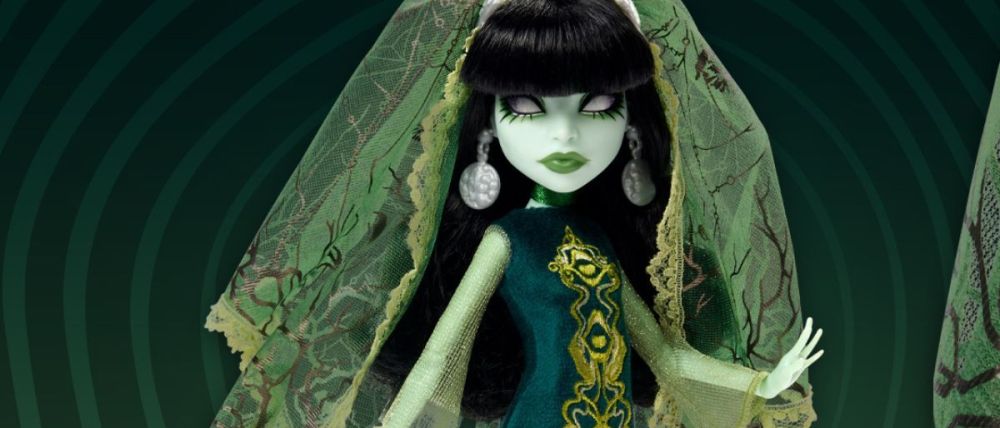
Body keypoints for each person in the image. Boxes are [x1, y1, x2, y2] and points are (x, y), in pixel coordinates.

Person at [205, 0, 821, 426]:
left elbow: (665, 357)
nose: (565, 136)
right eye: (526, 106)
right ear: (487, 127)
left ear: (633, 126)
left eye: (599, 105)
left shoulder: (597, 238)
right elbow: (440, 360)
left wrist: (761, 386)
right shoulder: (508, 240)